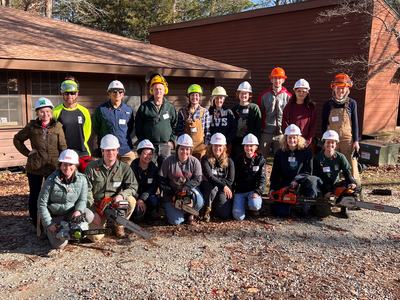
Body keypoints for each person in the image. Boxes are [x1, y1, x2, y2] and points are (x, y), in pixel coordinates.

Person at [13, 97, 67, 227]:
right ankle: (34, 219)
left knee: (52, 194)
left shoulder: (58, 127)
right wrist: (27, 153)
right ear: (37, 113)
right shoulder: (31, 127)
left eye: (48, 111)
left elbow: (63, 147)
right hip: (35, 167)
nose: (45, 114)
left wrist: (63, 164)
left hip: (52, 167)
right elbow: (17, 139)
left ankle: (50, 219)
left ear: (51, 112)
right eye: (41, 111)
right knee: (35, 194)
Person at [38, 149, 94, 249]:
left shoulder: (82, 179)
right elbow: (41, 204)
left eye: (70, 164)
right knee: (59, 245)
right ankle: (50, 231)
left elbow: (82, 199)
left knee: (88, 215)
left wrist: (78, 211)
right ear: (60, 165)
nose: (67, 168)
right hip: (54, 216)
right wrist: (49, 223)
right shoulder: (51, 180)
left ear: (75, 165)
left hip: (70, 214)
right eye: (64, 164)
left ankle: (71, 230)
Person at [85, 134, 137, 239]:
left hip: (114, 203)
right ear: (102, 151)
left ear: (117, 150)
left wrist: (122, 195)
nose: (111, 153)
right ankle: (104, 224)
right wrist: (94, 212)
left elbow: (133, 186)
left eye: (113, 150)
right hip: (97, 205)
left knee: (131, 200)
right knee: (94, 237)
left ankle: (119, 225)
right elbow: (86, 191)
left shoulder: (124, 168)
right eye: (107, 150)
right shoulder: (92, 167)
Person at [321, 73, 360, 183]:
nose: (340, 91)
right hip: (332, 140)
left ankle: (354, 187)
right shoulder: (328, 104)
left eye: (343, 88)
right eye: (338, 88)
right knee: (332, 165)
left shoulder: (352, 103)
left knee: (351, 165)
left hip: (347, 139)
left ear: (347, 89)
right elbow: (324, 123)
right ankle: (332, 187)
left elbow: (355, 123)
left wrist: (356, 141)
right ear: (334, 88)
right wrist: (324, 140)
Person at [159, 134, 204, 225]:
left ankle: (190, 215)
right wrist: (172, 194)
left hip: (189, 191)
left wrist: (186, 187)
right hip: (172, 193)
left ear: (190, 150)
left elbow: (198, 179)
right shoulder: (168, 161)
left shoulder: (195, 162)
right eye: (182, 149)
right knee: (176, 222)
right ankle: (175, 211)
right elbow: (161, 180)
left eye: (187, 149)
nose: (184, 152)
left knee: (199, 201)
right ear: (177, 149)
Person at [269, 124, 313, 217]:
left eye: (294, 137)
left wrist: (297, 180)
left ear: (298, 138)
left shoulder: (306, 152)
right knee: (281, 212)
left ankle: (304, 206)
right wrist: (272, 188)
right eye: (289, 137)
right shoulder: (280, 152)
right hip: (285, 184)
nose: (292, 140)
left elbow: (308, 171)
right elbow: (275, 172)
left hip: (300, 183)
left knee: (311, 182)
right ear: (285, 138)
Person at [313, 130, 357, 218]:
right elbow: (316, 177)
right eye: (328, 142)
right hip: (322, 186)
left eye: (333, 142)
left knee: (354, 185)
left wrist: (351, 183)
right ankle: (318, 206)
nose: (330, 145)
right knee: (323, 213)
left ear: (336, 144)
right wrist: (326, 191)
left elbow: (347, 172)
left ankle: (344, 208)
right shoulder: (318, 158)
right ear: (324, 143)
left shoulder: (340, 157)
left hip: (335, 184)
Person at [135, 74, 177, 166]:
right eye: (156, 89)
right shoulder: (144, 107)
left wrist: (172, 141)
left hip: (166, 145)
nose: (158, 91)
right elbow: (138, 127)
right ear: (152, 91)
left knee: (165, 170)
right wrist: (144, 143)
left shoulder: (170, 107)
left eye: (160, 89)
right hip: (150, 146)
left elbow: (175, 125)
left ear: (164, 90)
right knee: (150, 169)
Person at [53, 78, 93, 171]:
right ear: (62, 94)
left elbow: (87, 131)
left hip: (82, 151)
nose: (69, 96)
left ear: (77, 93)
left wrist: (81, 142)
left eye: (72, 93)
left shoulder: (84, 111)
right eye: (66, 93)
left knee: (87, 179)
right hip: (64, 153)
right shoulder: (56, 112)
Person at [92, 80, 136, 164]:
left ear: (123, 94)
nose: (117, 94)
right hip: (109, 150)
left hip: (125, 150)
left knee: (129, 173)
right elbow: (96, 128)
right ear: (109, 93)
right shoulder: (101, 110)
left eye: (120, 91)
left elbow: (129, 128)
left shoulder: (128, 110)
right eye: (114, 91)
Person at [257, 67, 291, 158]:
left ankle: (278, 173)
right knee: (261, 157)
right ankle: (261, 172)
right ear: (271, 79)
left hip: (281, 133)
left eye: (280, 78)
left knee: (280, 158)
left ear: (283, 80)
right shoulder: (263, 95)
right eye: (275, 78)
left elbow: (290, 115)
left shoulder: (289, 96)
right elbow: (260, 113)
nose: (277, 80)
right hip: (266, 132)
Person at [200, 133, 235, 222]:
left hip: (222, 189)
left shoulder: (229, 161)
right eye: (215, 145)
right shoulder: (205, 159)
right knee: (211, 187)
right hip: (209, 188)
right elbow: (209, 177)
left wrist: (221, 185)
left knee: (224, 214)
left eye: (220, 145)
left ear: (224, 147)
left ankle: (214, 206)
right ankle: (207, 210)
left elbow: (230, 180)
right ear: (211, 146)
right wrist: (223, 185)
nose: (217, 148)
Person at [233, 134, 266, 220]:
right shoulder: (238, 159)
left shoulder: (260, 160)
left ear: (256, 147)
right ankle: (243, 204)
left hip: (253, 191)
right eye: (246, 145)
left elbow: (262, 178)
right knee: (238, 217)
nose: (249, 148)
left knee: (255, 205)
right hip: (240, 191)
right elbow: (233, 177)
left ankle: (252, 207)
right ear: (244, 146)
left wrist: (258, 191)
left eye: (251, 146)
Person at [176, 84, 210, 159]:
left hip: (201, 148)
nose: (194, 97)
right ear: (189, 97)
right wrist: (181, 145)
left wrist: (206, 145)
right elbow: (179, 130)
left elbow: (207, 131)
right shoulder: (182, 111)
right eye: (192, 95)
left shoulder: (204, 112)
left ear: (200, 97)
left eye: (197, 95)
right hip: (186, 147)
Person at [130, 139, 160, 222]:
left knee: (154, 201)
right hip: (134, 195)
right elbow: (130, 186)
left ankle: (150, 213)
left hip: (147, 195)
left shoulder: (154, 169)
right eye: (145, 153)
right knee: (137, 213)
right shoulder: (132, 168)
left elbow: (153, 187)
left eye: (150, 154)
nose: (148, 156)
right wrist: (138, 199)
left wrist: (142, 199)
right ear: (139, 154)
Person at [282, 79, 316, 147]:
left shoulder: (311, 107)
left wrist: (308, 141)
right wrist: (290, 139)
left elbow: (313, 126)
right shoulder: (289, 106)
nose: (301, 93)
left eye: (304, 91)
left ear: (307, 92)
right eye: (299, 91)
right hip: (292, 141)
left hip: (305, 142)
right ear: (295, 91)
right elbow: (284, 123)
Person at [232, 81, 261, 158]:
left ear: (249, 95)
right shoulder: (234, 109)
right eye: (241, 93)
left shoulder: (254, 108)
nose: (243, 95)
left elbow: (258, 127)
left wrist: (256, 143)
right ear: (238, 94)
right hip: (237, 142)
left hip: (250, 142)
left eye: (246, 93)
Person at [208, 86, 235, 153]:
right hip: (212, 144)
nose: (219, 100)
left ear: (224, 99)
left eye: (221, 98)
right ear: (213, 99)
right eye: (216, 98)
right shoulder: (209, 112)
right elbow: (206, 128)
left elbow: (233, 128)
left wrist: (227, 140)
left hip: (225, 144)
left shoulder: (228, 112)